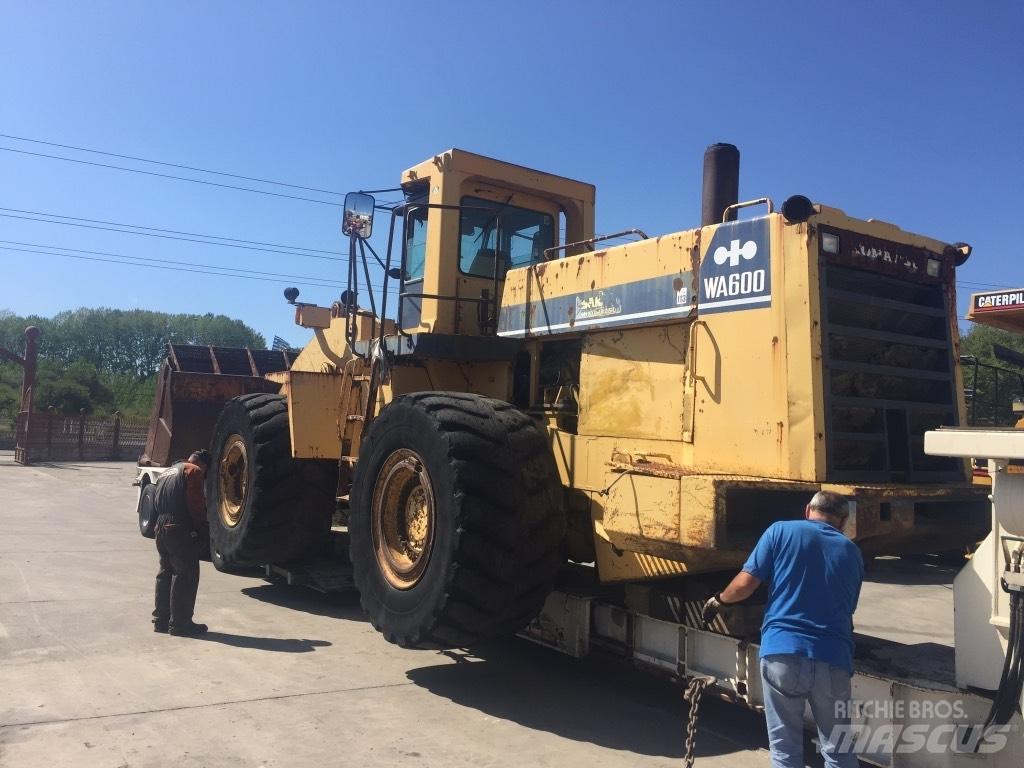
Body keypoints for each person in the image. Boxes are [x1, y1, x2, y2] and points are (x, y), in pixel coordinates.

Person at [701, 491, 864, 768]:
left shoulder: (780, 531)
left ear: (807, 510)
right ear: (843, 521)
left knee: (785, 751)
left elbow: (745, 585)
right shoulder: (852, 552)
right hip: (833, 659)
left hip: (782, 654)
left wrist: (720, 599)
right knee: (838, 751)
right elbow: (847, 608)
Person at [152, 449, 211, 636]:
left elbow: (155, 502)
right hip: (179, 527)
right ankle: (180, 623)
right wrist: (202, 528)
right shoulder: (194, 471)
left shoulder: (168, 471)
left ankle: (161, 621)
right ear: (204, 464)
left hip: (160, 526)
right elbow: (196, 504)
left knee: (165, 573)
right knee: (185, 575)